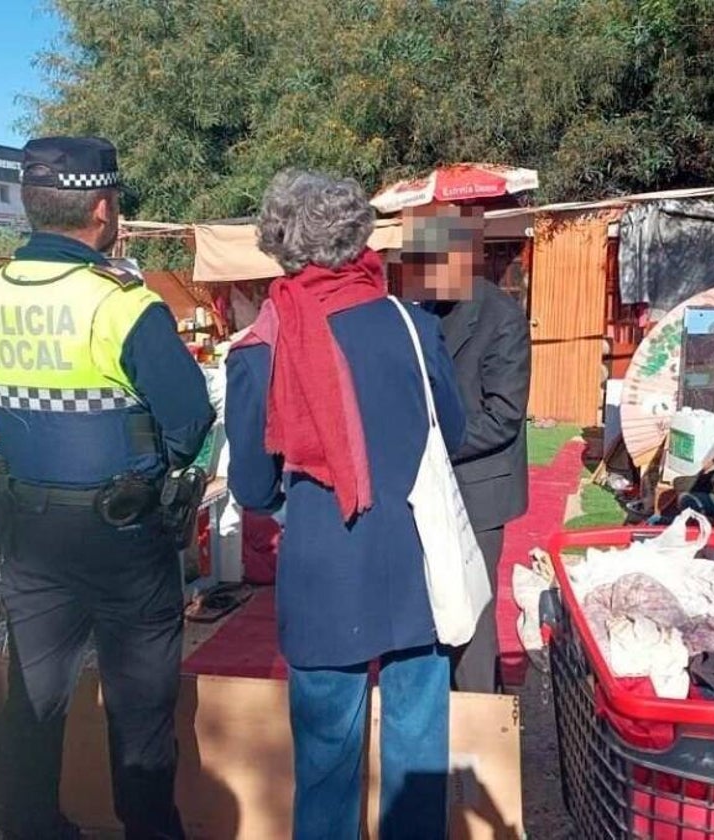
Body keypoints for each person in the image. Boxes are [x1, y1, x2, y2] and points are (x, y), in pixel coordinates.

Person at [0, 136, 215, 840]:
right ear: (103, 208)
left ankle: (33, 826)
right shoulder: (122, 305)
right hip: (121, 540)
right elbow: (190, 421)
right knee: (139, 710)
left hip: (27, 536)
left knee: (34, 703)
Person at [224, 170, 466, 839]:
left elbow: (251, 488)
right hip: (417, 560)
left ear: (278, 242)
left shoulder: (259, 348)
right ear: (358, 232)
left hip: (322, 568)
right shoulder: (412, 323)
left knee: (327, 765)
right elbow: (455, 431)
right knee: (418, 755)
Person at [400, 202, 532, 694]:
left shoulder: (501, 317)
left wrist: (432, 446)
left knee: (471, 604)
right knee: (435, 601)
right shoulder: (423, 310)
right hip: (432, 482)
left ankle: (480, 714)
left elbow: (503, 416)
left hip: (479, 487)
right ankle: (448, 701)